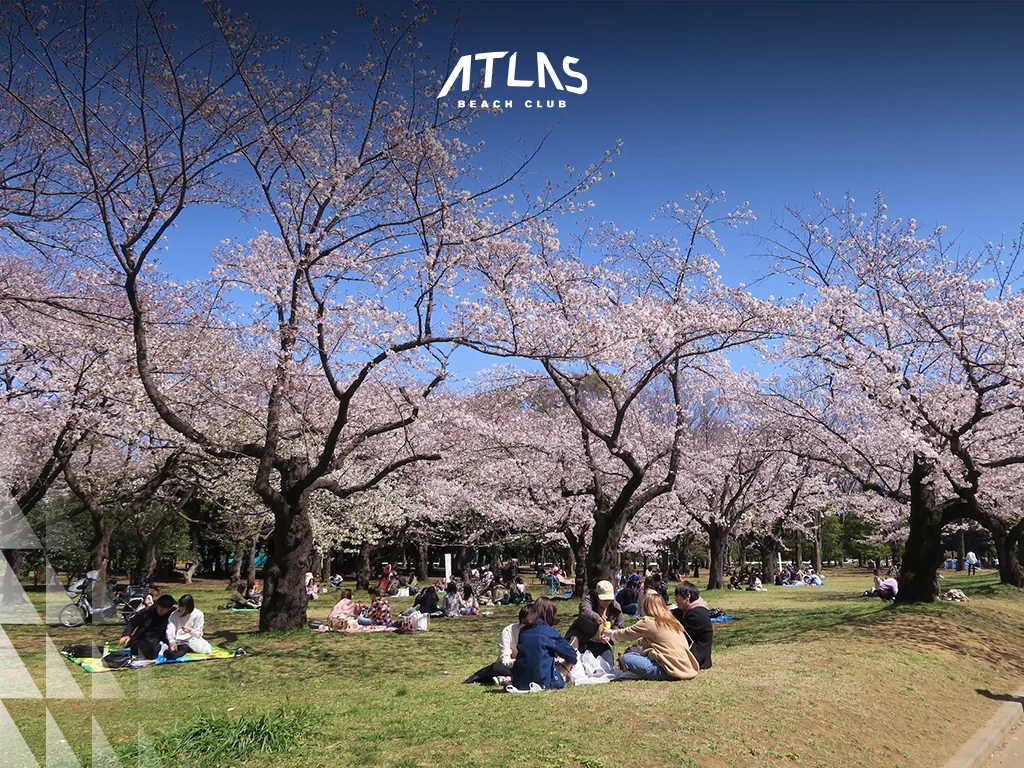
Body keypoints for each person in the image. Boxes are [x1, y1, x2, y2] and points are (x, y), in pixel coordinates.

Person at [603, 590, 699, 681]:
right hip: (685, 667)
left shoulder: (649, 621)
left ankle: (637, 672)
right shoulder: (672, 622)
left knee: (627, 658)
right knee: (636, 654)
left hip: (668, 670)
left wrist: (611, 633)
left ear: (647, 607)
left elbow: (627, 633)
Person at [512, 597, 577, 690]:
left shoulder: (523, 631)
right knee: (569, 661)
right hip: (542, 681)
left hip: (520, 681)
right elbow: (571, 655)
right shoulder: (550, 632)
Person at [463, 606, 530, 685]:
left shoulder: (538, 633)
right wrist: (517, 662)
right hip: (513, 666)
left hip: (531, 666)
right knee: (496, 667)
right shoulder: (508, 632)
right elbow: (504, 660)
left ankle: (509, 678)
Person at [566, 579, 624, 657]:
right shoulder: (588, 600)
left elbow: (619, 626)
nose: (606, 602)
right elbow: (585, 611)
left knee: (606, 663)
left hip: (602, 643)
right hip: (582, 638)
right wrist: (597, 618)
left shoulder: (616, 608)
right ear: (596, 595)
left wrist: (610, 635)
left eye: (609, 599)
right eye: (603, 599)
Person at [670, 581, 713, 669]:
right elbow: (672, 613)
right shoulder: (688, 609)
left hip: (696, 658)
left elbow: (681, 637)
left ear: (688, 596)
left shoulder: (698, 614)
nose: (675, 599)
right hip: (692, 655)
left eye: (677, 596)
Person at [119, 594, 176, 660]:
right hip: (144, 636)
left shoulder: (174, 614)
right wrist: (126, 634)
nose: (159, 612)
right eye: (158, 609)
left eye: (162, 610)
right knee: (135, 646)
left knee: (152, 649)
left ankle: (161, 648)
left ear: (169, 608)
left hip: (160, 637)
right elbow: (133, 622)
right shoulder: (148, 611)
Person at [165, 593, 212, 658]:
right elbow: (169, 630)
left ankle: (176, 654)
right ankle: (171, 653)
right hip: (178, 640)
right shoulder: (174, 614)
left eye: (183, 608)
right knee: (173, 646)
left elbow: (198, 634)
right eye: (180, 608)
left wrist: (190, 631)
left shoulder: (198, 614)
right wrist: (172, 642)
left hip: (192, 640)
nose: (181, 610)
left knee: (205, 648)